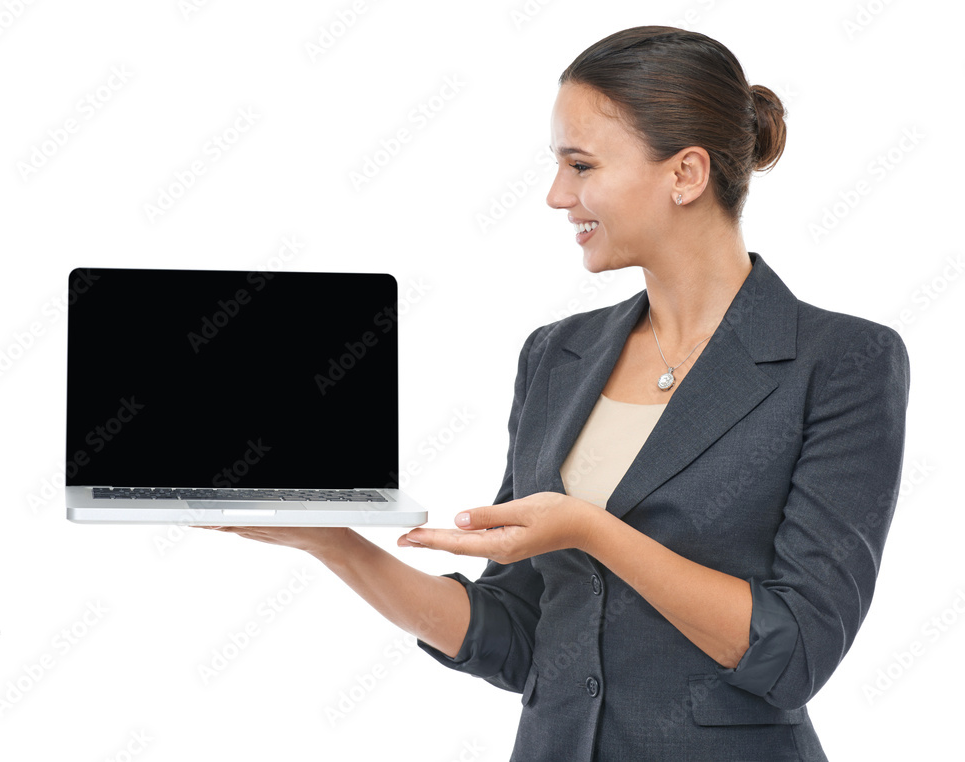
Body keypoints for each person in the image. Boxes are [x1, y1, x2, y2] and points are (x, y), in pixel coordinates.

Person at [197, 26, 911, 761]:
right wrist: (335, 546)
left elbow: (795, 653)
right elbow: (518, 636)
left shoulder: (843, 362)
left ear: (686, 173)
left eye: (582, 164)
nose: (556, 195)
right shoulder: (557, 355)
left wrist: (590, 529)